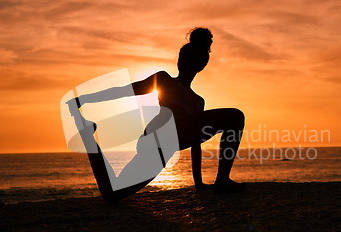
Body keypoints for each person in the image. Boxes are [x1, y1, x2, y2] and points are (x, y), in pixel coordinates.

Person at [67, 27, 245, 202]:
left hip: (166, 150)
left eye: (192, 59)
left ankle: (87, 135)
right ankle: (88, 135)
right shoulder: (164, 80)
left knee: (111, 194)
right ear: (178, 60)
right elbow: (127, 90)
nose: (186, 62)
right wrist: (86, 99)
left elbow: (196, 144)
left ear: (201, 66)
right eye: (183, 58)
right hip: (156, 140)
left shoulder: (198, 101)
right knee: (236, 116)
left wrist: (198, 183)